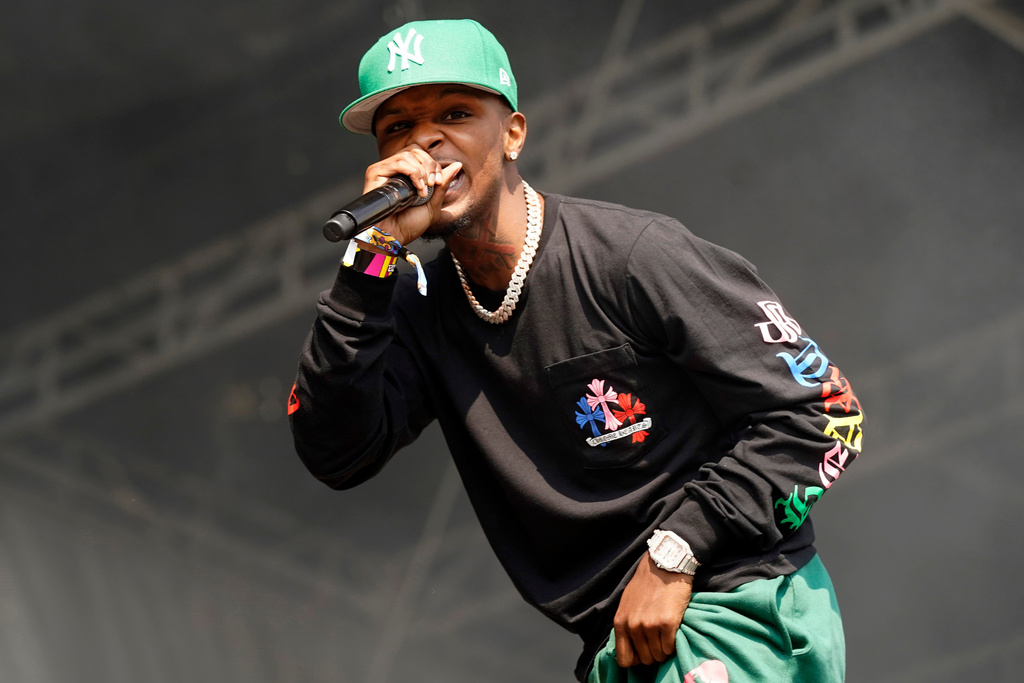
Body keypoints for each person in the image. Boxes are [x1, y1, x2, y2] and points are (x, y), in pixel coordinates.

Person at [289, 18, 863, 683]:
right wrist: (371, 258)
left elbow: (827, 413)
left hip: (732, 602)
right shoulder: (421, 311)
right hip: (617, 647)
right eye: (398, 127)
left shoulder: (631, 257)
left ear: (513, 133)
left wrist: (677, 551)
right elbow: (335, 450)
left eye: (455, 112)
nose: (425, 139)